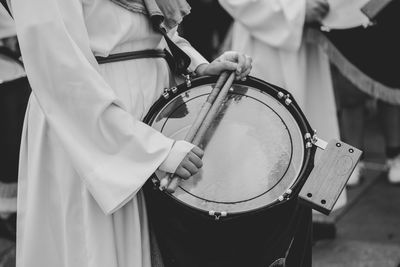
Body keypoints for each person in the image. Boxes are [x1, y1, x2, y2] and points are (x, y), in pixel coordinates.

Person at [5, 0, 251, 266]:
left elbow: (152, 32)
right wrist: (151, 149)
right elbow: (58, 64)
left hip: (158, 115)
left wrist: (198, 66)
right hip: (92, 127)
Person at [218, 0, 347, 242]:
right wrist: (297, 12)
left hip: (307, 41)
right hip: (264, 41)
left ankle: (316, 213)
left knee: (317, 116)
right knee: (267, 131)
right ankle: (269, 214)